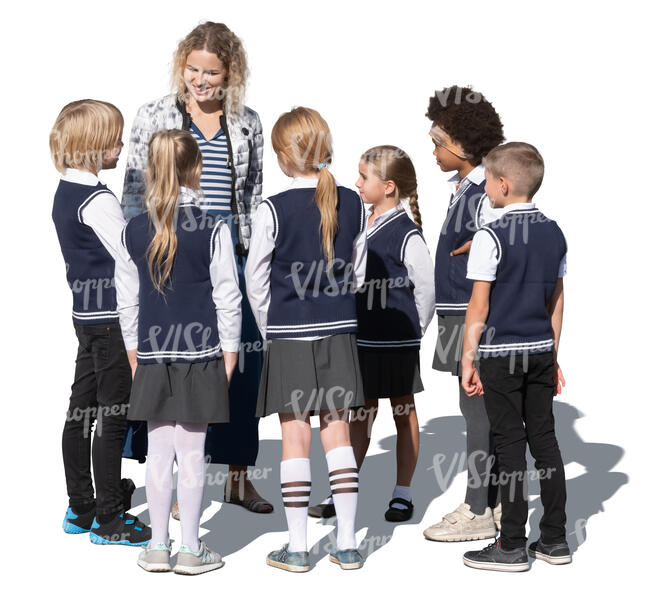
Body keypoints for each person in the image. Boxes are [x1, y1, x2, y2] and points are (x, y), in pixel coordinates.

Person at [121, 21, 271, 513]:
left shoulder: (247, 122)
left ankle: (237, 477)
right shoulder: (155, 114)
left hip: (230, 250)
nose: (201, 81)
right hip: (169, 252)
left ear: (231, 74)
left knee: (239, 366)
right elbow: (133, 193)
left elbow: (251, 196)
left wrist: (254, 256)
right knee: (173, 365)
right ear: (180, 65)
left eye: (212, 73)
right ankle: (174, 485)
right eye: (193, 70)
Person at [246, 107, 367, 572]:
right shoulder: (353, 201)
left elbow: (256, 280)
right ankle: (349, 543)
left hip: (289, 334)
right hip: (339, 332)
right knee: (338, 436)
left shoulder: (271, 209)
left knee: (294, 438)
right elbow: (357, 272)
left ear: (281, 156)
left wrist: (270, 327)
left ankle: (297, 549)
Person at [116, 129, 242, 574]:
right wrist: (229, 354)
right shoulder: (213, 228)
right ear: (197, 170)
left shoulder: (133, 229)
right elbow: (229, 298)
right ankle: (190, 548)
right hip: (202, 354)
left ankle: (156, 546)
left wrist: (135, 354)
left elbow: (126, 301)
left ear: (151, 171)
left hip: (150, 356)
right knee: (192, 452)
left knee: (157, 450)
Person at [308, 146, 435, 523]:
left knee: (403, 411)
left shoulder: (406, 234)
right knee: (359, 414)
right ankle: (343, 490)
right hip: (360, 341)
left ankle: (403, 493)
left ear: (390, 187)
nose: (357, 183)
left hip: (396, 343)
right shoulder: (358, 221)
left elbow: (425, 290)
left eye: (365, 178)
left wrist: (413, 330)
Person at [460, 142, 570, 572]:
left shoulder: (490, 236)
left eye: (487, 179)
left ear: (503, 185)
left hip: (500, 355)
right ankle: (556, 539)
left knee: (509, 446)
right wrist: (553, 353)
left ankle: (511, 545)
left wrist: (468, 358)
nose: (485, 186)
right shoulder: (554, 232)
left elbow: (478, 306)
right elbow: (557, 300)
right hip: (541, 351)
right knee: (546, 441)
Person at [51, 99, 150, 545]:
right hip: (113, 320)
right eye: (114, 138)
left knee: (81, 411)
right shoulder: (97, 199)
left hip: (85, 318)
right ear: (93, 146)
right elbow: (129, 256)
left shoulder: (64, 192)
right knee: (112, 417)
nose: (121, 145)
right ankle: (109, 517)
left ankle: (80, 504)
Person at [423, 86, 505, 542]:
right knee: (472, 408)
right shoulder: (464, 189)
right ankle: (486, 501)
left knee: (477, 411)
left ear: (462, 145)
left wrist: (490, 243)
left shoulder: (483, 194)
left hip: (473, 316)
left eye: (437, 141)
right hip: (457, 314)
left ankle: (479, 508)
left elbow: (509, 236)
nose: (432, 149)